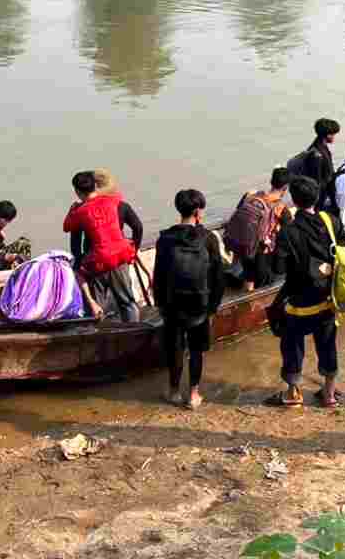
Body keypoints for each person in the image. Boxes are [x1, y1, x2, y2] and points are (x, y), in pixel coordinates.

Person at [270, 176, 342, 408]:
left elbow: (278, 269)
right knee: (328, 344)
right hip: (328, 299)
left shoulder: (288, 232)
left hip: (299, 303)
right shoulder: (331, 221)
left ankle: (293, 394)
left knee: (292, 345)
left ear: (294, 200)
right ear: (317, 197)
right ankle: (329, 394)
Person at [154, 189, 226, 410]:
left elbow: (159, 275)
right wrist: (213, 306)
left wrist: (161, 304)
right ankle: (194, 394)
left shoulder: (165, 239)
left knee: (175, 348)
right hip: (201, 304)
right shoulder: (209, 239)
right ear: (198, 212)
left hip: (173, 305)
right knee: (196, 349)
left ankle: (174, 391)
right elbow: (218, 277)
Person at [63, 171, 142, 322]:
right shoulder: (116, 202)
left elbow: (73, 240)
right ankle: (135, 333)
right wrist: (133, 250)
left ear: (77, 191)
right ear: (96, 186)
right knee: (127, 303)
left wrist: (80, 267)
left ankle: (100, 335)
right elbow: (138, 227)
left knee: (97, 306)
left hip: (97, 263)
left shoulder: (79, 212)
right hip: (120, 258)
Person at [226, 168, 292, 292]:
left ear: (271, 181)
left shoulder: (250, 195)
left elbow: (239, 216)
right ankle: (250, 302)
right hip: (259, 252)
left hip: (240, 246)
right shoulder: (281, 208)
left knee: (249, 273)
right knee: (262, 278)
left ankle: (237, 275)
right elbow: (291, 233)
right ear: (285, 188)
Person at [297, 117, 341, 196]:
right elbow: (317, 182)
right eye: (333, 134)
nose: (334, 137)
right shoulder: (317, 155)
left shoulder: (321, 146)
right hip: (320, 197)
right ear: (327, 135)